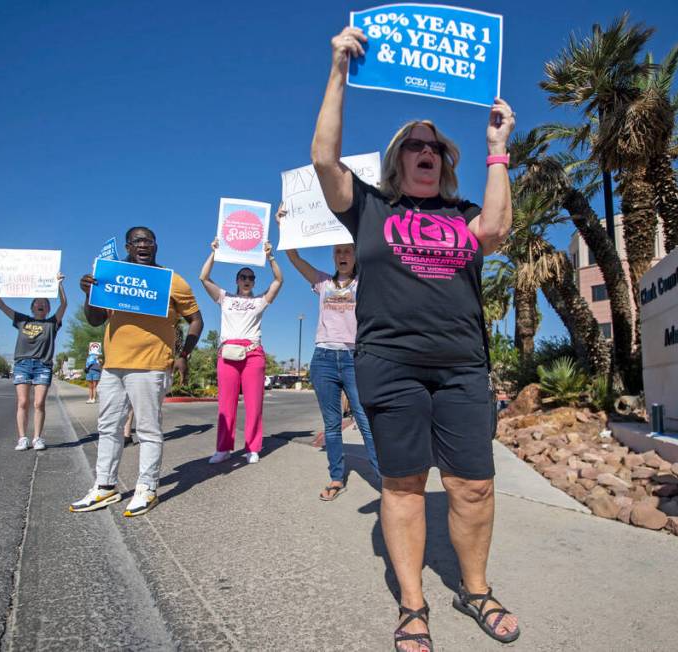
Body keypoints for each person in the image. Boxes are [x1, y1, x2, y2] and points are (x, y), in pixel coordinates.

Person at [311, 26, 519, 651]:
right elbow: (325, 160)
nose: (426, 150)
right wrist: (339, 70)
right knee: (403, 486)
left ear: (444, 161)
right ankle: (412, 602)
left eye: (435, 146)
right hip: (390, 364)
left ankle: (475, 589)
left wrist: (497, 148)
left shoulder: (463, 216)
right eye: (415, 144)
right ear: (399, 158)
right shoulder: (370, 206)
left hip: (461, 367)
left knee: (473, 484)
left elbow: (499, 230)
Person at [69, 227, 203, 517]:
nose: (144, 244)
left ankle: (147, 489)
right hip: (113, 365)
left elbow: (196, 320)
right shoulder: (113, 278)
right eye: (137, 241)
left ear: (156, 245)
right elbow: (94, 320)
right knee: (108, 428)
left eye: (149, 240)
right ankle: (105, 487)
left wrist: (184, 354)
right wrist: (90, 292)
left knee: (148, 430)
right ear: (128, 247)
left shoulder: (172, 281)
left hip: (151, 366)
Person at [276, 204, 380, 500]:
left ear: (356, 254)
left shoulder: (366, 281)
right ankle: (336, 477)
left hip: (353, 358)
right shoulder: (322, 282)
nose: (343, 256)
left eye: (348, 251)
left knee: (364, 420)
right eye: (338, 252)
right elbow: (294, 257)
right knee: (332, 425)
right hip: (323, 360)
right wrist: (286, 226)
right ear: (334, 256)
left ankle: (384, 480)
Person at [200, 239, 282, 465]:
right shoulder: (225, 298)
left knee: (254, 404)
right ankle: (223, 448)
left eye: (251, 278)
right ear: (237, 280)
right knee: (226, 405)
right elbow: (204, 278)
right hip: (227, 354)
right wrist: (214, 252)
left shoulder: (259, 301)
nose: (247, 280)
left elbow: (278, 280)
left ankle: (253, 448)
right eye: (243, 277)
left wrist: (270, 256)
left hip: (253, 354)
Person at [0, 273, 67, 451]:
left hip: (43, 365)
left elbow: (64, 304)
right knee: (23, 402)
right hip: (22, 364)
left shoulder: (52, 323)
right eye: (37, 302)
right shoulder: (22, 320)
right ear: (32, 306)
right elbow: (1, 305)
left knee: (39, 403)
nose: (41, 304)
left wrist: (59, 284)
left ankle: (37, 438)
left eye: (45, 302)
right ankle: (22, 438)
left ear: (48, 308)